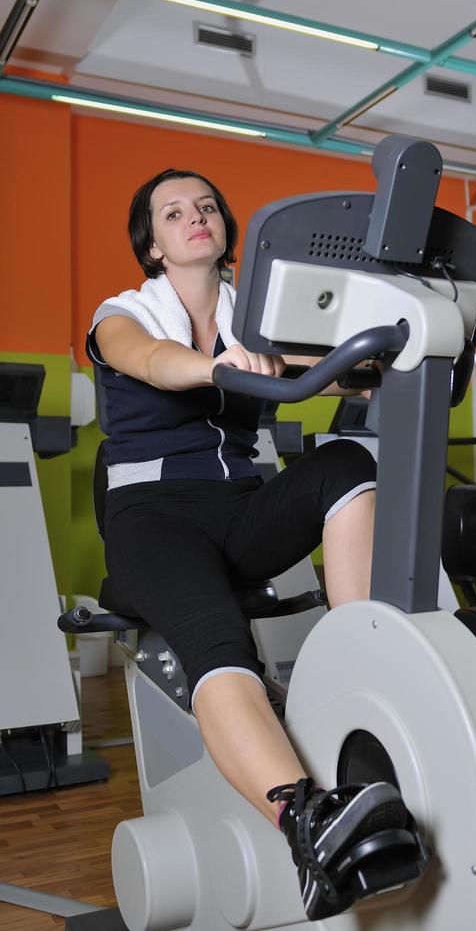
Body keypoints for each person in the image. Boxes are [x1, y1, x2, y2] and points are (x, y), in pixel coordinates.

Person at [87, 168, 426, 920]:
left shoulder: (259, 316)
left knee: (346, 464)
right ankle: (307, 825)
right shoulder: (123, 312)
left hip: (239, 510)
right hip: (151, 518)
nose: (195, 217)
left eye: (206, 206)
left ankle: (363, 669)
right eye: (174, 212)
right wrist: (218, 366)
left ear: (226, 228)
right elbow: (147, 361)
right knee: (218, 640)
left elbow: (322, 372)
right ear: (152, 243)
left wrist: (377, 367)